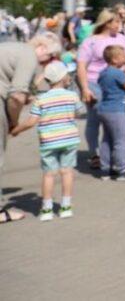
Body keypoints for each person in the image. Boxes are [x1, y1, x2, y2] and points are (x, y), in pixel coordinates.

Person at [1, 33, 63, 224]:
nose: (47, 64)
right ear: (42, 48)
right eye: (51, 58)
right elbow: (16, 96)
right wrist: (14, 121)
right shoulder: (29, 54)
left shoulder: (11, 47)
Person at [10, 61, 81, 220]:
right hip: (69, 139)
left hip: (49, 141)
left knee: (49, 175)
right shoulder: (72, 96)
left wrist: (16, 130)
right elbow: (78, 112)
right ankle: (66, 206)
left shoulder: (41, 99)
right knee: (67, 172)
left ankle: (47, 210)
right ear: (64, 78)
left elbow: (31, 122)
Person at [75, 9, 125, 170]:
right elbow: (81, 66)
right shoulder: (91, 41)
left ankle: (115, 154)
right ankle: (95, 153)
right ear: (107, 23)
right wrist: (85, 88)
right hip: (95, 82)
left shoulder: (121, 38)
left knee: (118, 117)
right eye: (116, 22)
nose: (119, 25)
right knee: (95, 119)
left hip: (117, 83)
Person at [95, 45, 125, 181]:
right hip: (116, 109)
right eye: (123, 56)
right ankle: (122, 170)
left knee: (107, 140)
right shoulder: (116, 73)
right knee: (121, 140)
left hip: (104, 108)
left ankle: (105, 169)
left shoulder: (104, 73)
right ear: (115, 60)